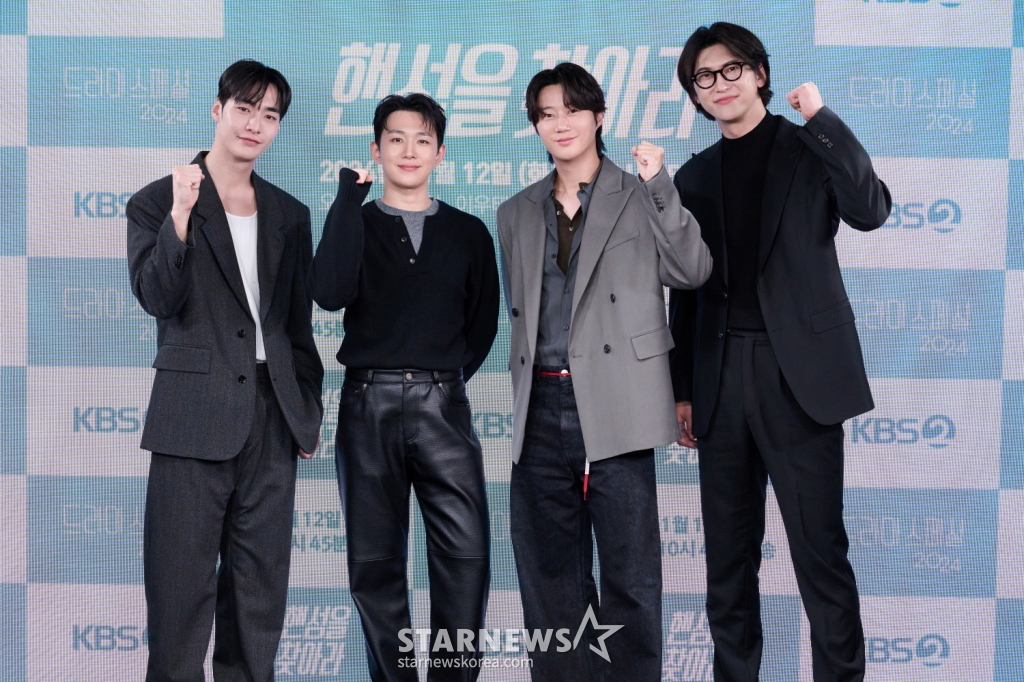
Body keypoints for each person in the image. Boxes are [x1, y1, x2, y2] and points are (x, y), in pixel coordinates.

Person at [669, 22, 892, 682]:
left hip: (800, 379)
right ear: (695, 94)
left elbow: (870, 209)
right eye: (704, 77)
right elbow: (686, 290)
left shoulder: (809, 148)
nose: (720, 84)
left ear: (760, 74)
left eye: (731, 69)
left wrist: (822, 118)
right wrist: (683, 388)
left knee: (820, 554)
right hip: (719, 379)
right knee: (728, 563)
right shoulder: (693, 176)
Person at [497, 62, 711, 681]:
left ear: (598, 116)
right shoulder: (516, 212)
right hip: (540, 406)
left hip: (616, 403)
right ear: (535, 125)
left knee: (630, 578)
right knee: (549, 582)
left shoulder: (641, 193)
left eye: (572, 110)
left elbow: (691, 270)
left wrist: (659, 183)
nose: (560, 123)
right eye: (546, 113)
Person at [126, 59, 324, 682]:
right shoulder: (157, 200)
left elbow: (296, 327)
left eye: (270, 115)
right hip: (192, 416)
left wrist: (304, 411)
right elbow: (156, 297)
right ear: (218, 110)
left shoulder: (290, 214)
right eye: (244, 109)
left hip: (272, 418)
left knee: (258, 600)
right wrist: (181, 218)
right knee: (179, 598)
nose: (254, 124)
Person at [307, 93, 499, 682]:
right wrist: (348, 199)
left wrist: (440, 380)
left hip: (444, 406)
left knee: (466, 557)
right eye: (396, 139)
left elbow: (482, 325)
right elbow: (328, 292)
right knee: (376, 563)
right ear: (377, 149)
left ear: (440, 153)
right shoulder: (356, 221)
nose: (408, 150)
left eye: (422, 140)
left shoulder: (468, 232)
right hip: (368, 407)